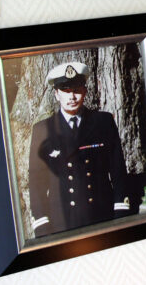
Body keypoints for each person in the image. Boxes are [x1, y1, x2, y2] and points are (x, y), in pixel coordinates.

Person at [28, 62, 129, 238]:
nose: (72, 96)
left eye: (76, 90)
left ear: (85, 91)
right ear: (56, 94)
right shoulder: (43, 130)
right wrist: (42, 224)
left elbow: (118, 170)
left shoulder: (103, 122)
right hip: (62, 220)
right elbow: (36, 183)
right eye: (66, 91)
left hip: (101, 214)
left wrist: (120, 210)